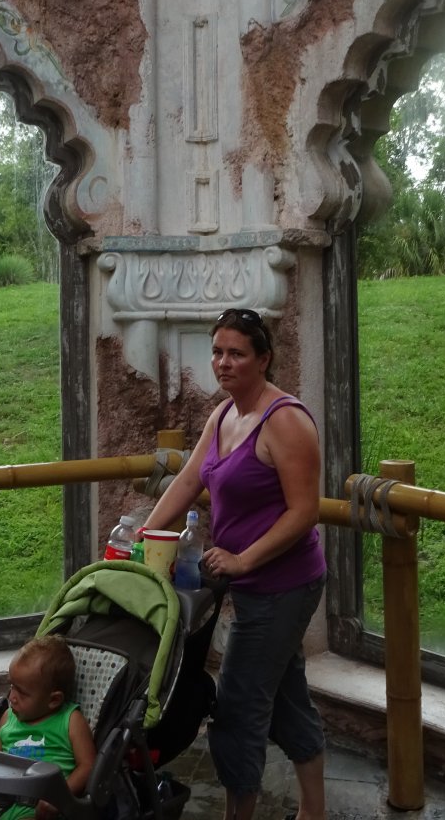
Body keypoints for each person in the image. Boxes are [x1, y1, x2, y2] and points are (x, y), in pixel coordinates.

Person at [144, 306, 327, 820]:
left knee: (238, 708)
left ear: (264, 359)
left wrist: (244, 560)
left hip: (284, 587)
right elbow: (187, 481)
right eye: (218, 352)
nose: (224, 363)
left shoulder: (286, 420)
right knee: (287, 698)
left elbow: (303, 512)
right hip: (249, 589)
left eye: (237, 354)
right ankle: (315, 812)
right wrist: (144, 536)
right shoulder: (223, 415)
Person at [0, 635, 97, 820]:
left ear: (53, 700)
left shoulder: (70, 720)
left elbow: (88, 765)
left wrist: (61, 797)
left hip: (36, 810)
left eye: (22, 693)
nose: (12, 697)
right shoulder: (8, 717)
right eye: (12, 686)